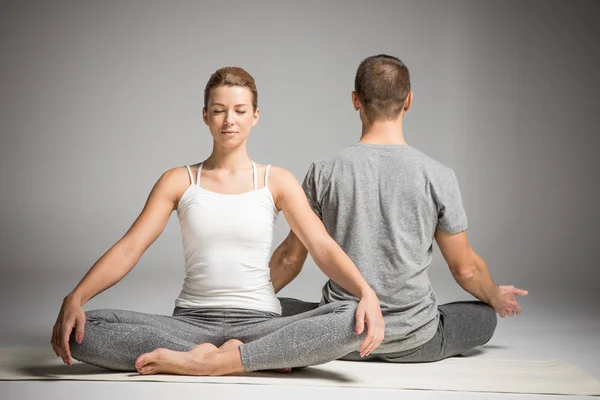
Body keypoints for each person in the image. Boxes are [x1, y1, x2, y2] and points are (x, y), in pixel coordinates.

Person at [50, 66, 385, 376]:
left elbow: (321, 246)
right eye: (219, 110)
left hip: (260, 322)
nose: (230, 120)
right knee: (83, 330)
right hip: (191, 323)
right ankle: (252, 358)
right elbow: (131, 247)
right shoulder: (178, 181)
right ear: (205, 116)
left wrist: (365, 291)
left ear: (255, 116)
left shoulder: (276, 180)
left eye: (240, 111)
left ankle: (202, 362)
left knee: (350, 318)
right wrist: (76, 297)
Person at [270, 54, 529, 363]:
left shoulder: (324, 172)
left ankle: (320, 333)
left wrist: (244, 303)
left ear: (356, 100)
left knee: (272, 309)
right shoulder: (438, 176)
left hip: (339, 335)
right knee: (484, 315)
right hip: (415, 339)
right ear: (408, 101)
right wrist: (495, 295)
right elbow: (465, 268)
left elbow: (290, 257)